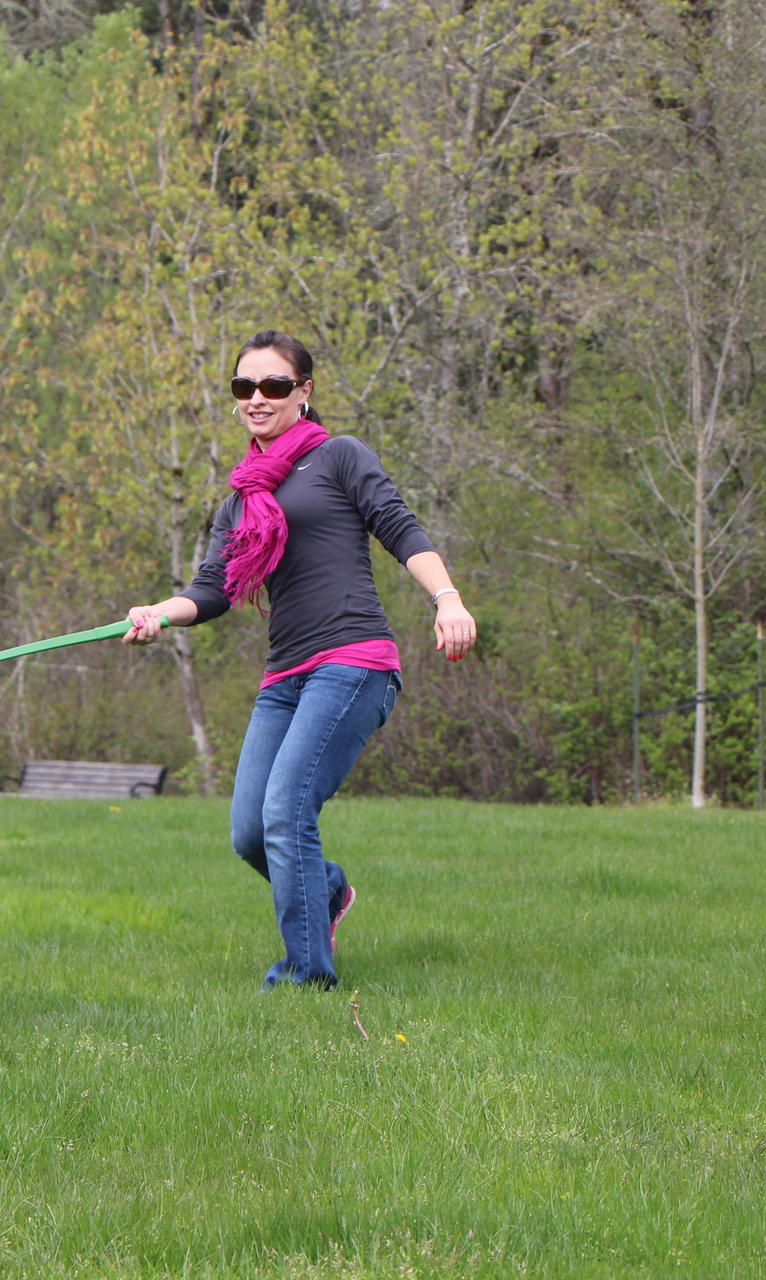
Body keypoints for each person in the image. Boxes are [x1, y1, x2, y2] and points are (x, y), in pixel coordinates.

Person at [122, 330, 476, 990]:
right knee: (250, 834)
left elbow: (399, 527)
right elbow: (213, 589)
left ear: (303, 392)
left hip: (354, 661)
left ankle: (306, 977)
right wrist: (159, 614)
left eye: (274, 385)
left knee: (286, 813)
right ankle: (328, 891)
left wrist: (447, 598)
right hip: (285, 676)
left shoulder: (339, 457)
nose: (257, 398)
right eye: (244, 386)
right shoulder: (240, 500)